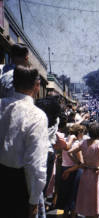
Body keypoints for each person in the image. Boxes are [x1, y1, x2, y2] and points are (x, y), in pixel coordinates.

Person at [0, 66, 49, 218]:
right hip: (17, 186)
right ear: (37, 86)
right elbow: (35, 164)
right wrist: (34, 200)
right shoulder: (37, 116)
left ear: (14, 84)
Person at [69, 122, 99, 217]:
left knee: (87, 202)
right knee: (96, 202)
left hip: (86, 173)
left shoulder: (83, 143)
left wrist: (79, 163)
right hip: (96, 175)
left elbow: (70, 152)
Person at [57, 124, 86, 218]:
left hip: (64, 169)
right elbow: (81, 163)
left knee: (65, 195)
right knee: (74, 197)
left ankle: (65, 215)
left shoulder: (66, 141)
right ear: (79, 133)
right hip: (74, 171)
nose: (83, 135)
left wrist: (66, 171)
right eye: (83, 133)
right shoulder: (77, 144)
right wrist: (68, 171)